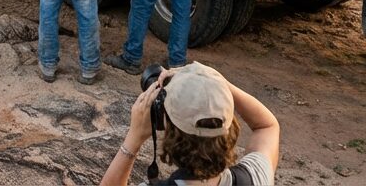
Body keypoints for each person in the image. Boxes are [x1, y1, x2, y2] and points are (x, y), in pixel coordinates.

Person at [101, 62, 280, 186]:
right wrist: (215, 81)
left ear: (168, 129)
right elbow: (266, 126)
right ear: (229, 128)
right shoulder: (255, 177)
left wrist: (133, 139)